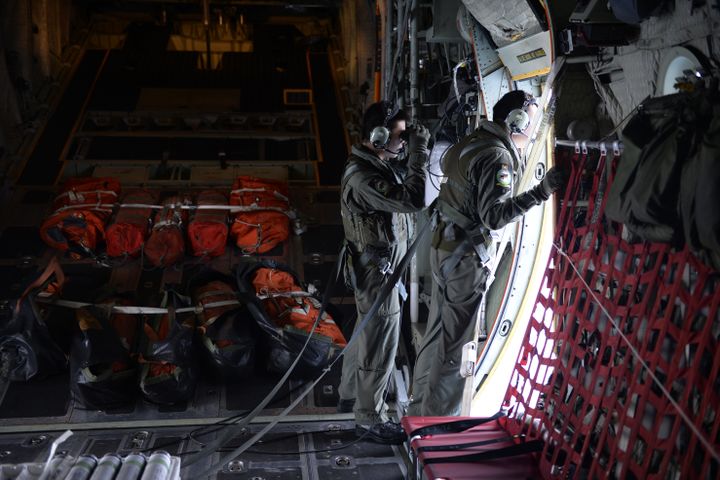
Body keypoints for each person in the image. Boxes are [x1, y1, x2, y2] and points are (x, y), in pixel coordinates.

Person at [407, 90, 564, 416]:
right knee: (455, 347)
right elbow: (494, 216)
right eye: (530, 121)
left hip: (444, 251)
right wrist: (541, 192)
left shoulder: (470, 143)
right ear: (516, 120)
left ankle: (417, 409)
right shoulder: (497, 158)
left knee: (436, 336)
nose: (531, 129)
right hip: (465, 262)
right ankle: (437, 423)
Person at [338, 100, 430, 444]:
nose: (403, 143)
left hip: (378, 270)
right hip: (379, 276)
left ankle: (349, 395)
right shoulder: (363, 176)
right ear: (377, 138)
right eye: (399, 137)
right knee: (380, 344)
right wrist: (420, 150)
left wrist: (413, 148)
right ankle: (369, 419)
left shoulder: (376, 163)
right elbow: (413, 199)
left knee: (366, 336)